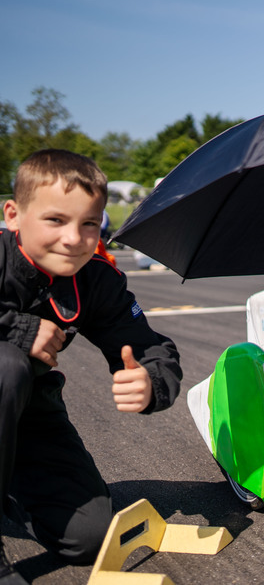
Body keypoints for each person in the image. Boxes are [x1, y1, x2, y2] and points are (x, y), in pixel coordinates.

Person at [0, 150, 182, 585]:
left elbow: (150, 346)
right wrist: (20, 329)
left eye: (88, 223)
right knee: (7, 364)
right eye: (55, 220)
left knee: (89, 536)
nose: (73, 238)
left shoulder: (96, 277)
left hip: (28, 413)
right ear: (13, 214)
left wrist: (151, 382)